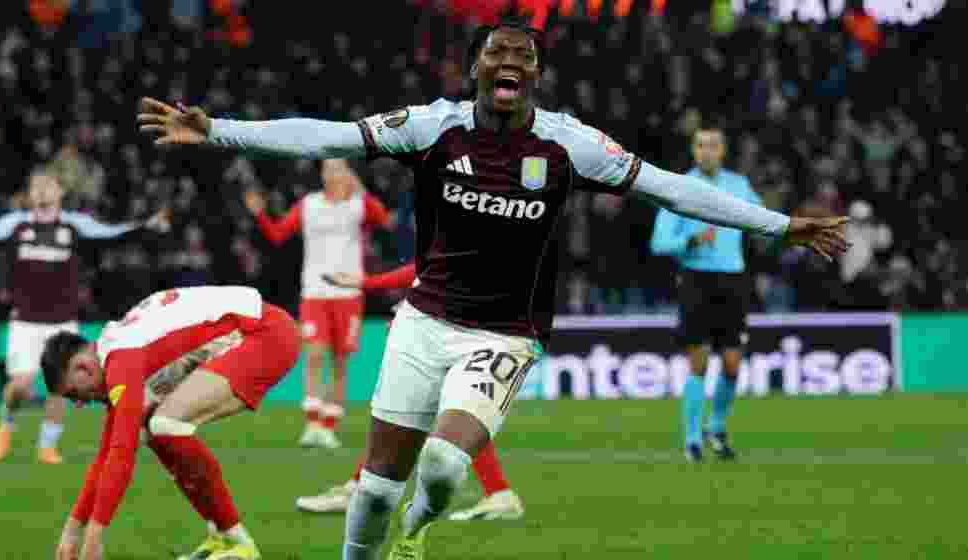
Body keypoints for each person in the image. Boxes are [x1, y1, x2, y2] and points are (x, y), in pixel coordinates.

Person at [138, 18, 848, 560]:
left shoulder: (570, 144)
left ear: (535, 75)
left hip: (506, 332)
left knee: (444, 464)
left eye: (524, 56)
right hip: (423, 322)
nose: (509, 61)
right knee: (378, 487)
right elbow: (324, 136)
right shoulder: (431, 127)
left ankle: (417, 534)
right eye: (497, 53)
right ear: (477, 67)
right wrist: (220, 132)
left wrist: (778, 225)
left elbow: (670, 190)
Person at [43, 285, 301, 560]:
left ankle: (240, 544)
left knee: (167, 424)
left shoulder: (122, 360)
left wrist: (94, 537)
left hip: (265, 335)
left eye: (73, 394)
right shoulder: (115, 349)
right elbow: (108, 453)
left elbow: (122, 452)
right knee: (152, 427)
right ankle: (222, 536)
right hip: (253, 330)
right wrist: (73, 530)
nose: (79, 404)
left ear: (83, 367)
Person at [0, 171, 168, 465]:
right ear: (30, 194)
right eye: (36, 185)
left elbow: (112, 234)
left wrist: (147, 226)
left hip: (63, 320)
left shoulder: (75, 225)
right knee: (21, 384)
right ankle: (6, 425)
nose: (42, 189)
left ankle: (47, 446)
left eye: (48, 184)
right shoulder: (15, 224)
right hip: (26, 319)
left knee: (61, 386)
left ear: (59, 192)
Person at [296, 264, 525, 522]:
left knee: (420, 409)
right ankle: (499, 493)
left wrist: (373, 285)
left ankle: (357, 489)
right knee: (444, 410)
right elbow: (430, 265)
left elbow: (431, 265)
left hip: (464, 323)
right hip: (467, 317)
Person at [243, 159, 393, 449]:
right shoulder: (308, 204)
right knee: (313, 355)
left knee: (339, 362)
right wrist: (260, 214)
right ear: (322, 175)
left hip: (348, 293)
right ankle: (312, 422)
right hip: (314, 292)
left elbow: (384, 220)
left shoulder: (358, 205)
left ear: (348, 173)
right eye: (328, 169)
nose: (333, 174)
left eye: (339, 168)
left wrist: (359, 188)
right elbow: (277, 234)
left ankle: (329, 426)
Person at [649, 125, 761, 462]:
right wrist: (692, 241)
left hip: (733, 280)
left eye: (713, 145)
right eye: (700, 145)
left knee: (731, 363)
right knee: (698, 363)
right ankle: (693, 439)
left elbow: (760, 219)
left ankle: (718, 427)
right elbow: (659, 242)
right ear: (693, 151)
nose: (706, 151)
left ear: (722, 151)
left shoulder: (739, 186)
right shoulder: (679, 187)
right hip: (696, 280)